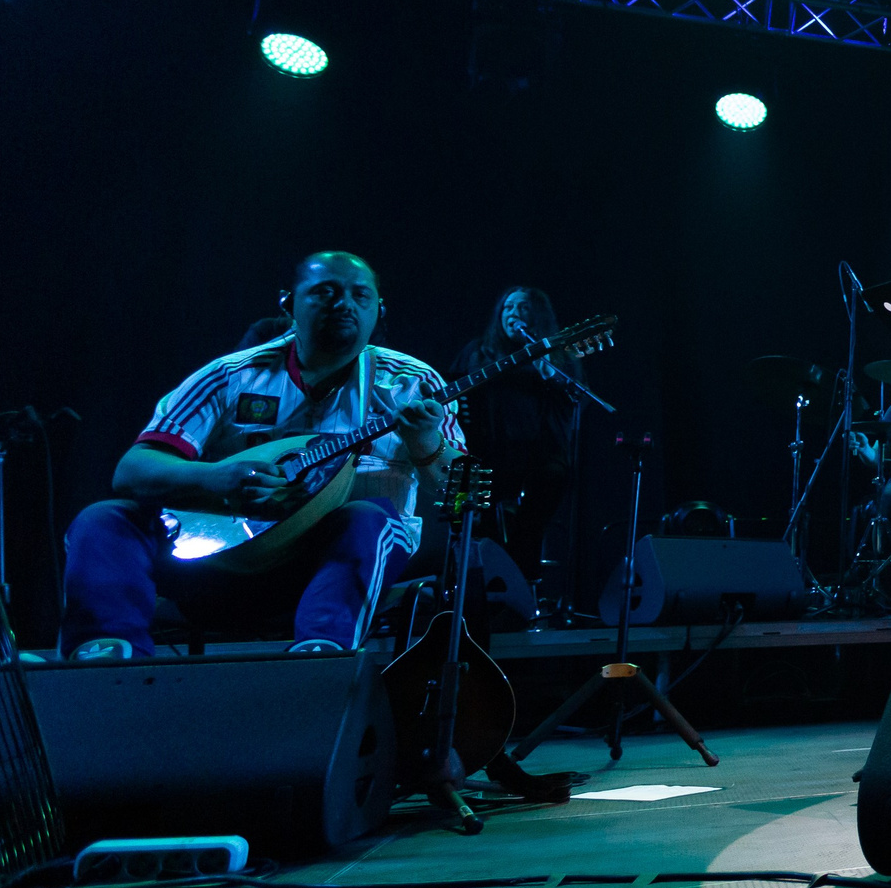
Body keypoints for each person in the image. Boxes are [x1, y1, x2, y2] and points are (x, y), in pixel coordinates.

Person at [61, 251, 463, 658]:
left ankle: (319, 654)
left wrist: (427, 446)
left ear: (379, 310)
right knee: (104, 520)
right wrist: (216, 478)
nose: (344, 304)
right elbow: (133, 469)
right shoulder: (231, 375)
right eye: (326, 292)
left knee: (370, 517)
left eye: (361, 295)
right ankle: (109, 655)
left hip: (330, 566)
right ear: (288, 303)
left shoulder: (413, 383)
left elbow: (466, 497)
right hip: (226, 559)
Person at [451, 285, 579, 583]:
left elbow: (571, 401)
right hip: (485, 452)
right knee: (465, 500)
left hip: (538, 455)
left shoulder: (555, 353)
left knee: (548, 485)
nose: (514, 314)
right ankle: (473, 587)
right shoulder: (477, 352)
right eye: (508, 308)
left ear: (537, 315)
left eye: (522, 308)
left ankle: (521, 589)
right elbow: (452, 391)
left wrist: (546, 366)